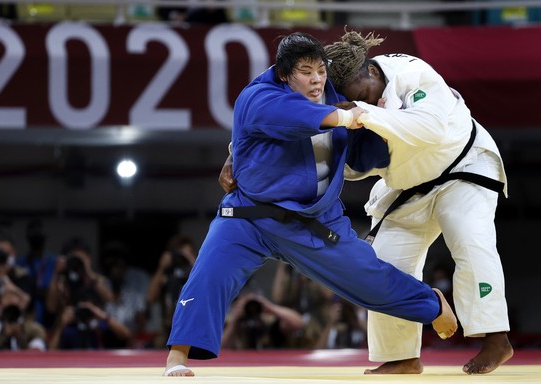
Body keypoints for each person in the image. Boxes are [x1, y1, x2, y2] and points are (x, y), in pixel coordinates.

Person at [163, 32, 458, 377]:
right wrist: (351, 117)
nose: (316, 79)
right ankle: (177, 357)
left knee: (368, 280)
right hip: (249, 215)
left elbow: (365, 129)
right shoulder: (260, 96)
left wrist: (384, 118)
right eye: (305, 71)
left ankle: (431, 304)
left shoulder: (332, 90)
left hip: (314, 220)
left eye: (320, 70)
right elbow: (296, 117)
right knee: (209, 273)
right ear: (284, 74)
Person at [323, 29, 513, 375]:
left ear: (373, 73)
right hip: (409, 187)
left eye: (364, 93)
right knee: (384, 266)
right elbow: (322, 151)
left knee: (469, 239)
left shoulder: (413, 74)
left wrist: (362, 112)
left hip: (463, 167)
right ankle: (402, 356)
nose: (364, 101)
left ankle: (495, 338)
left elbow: (432, 129)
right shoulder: (345, 104)